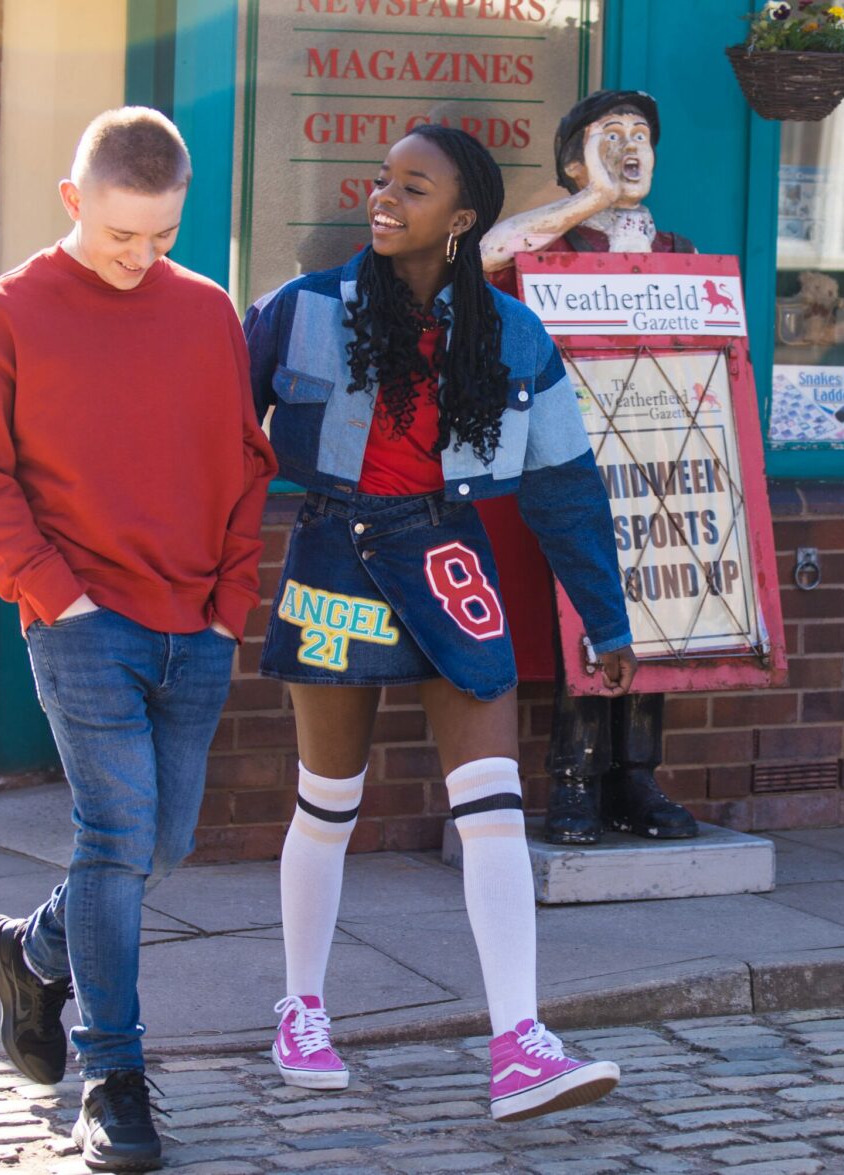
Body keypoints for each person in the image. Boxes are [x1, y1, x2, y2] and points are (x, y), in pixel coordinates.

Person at [244, 124, 635, 1122]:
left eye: (411, 188)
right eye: (382, 181)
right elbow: (222, 444)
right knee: (330, 799)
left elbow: (563, 485)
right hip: (336, 552)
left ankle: (519, 1040)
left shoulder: (513, 335)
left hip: (447, 554)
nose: (384, 198)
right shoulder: (300, 311)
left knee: (495, 802)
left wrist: (605, 614)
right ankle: (301, 1007)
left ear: (462, 219)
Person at [0, 106, 276, 1173]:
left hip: (199, 625)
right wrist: (51, 592)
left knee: (159, 845)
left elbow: (243, 455)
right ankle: (116, 1076)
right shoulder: (5, 315)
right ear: (75, 201)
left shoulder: (205, 309)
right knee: (115, 833)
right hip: (83, 623)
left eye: (161, 238)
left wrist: (232, 600)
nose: (140, 258)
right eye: (119, 234)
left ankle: (30, 954)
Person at [480, 90, 700, 846]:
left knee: (660, 607)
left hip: (665, 464)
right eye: (612, 137)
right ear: (574, 160)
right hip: (573, 462)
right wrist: (593, 198)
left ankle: (634, 774)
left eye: (643, 134)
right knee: (587, 609)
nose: (632, 147)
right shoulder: (551, 250)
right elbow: (476, 259)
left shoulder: (677, 252)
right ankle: (572, 777)